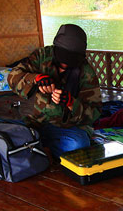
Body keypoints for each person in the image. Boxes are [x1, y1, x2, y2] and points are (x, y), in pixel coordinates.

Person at [7, 24, 101, 157]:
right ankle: (39, 146)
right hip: (36, 122)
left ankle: (34, 147)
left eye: (70, 61)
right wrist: (36, 78)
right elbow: (13, 77)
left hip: (68, 129)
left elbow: (95, 113)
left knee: (78, 145)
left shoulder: (86, 73)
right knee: (1, 130)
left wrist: (71, 103)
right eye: (63, 60)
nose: (65, 66)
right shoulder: (42, 56)